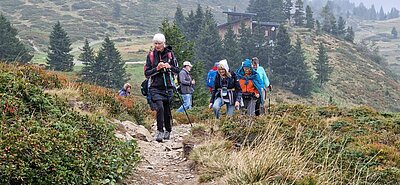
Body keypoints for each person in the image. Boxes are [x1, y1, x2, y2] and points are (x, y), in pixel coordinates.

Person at [144, 33, 179, 142]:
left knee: (167, 110)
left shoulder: (170, 54)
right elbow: (146, 73)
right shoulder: (151, 56)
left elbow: (177, 70)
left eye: (159, 43)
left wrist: (169, 67)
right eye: (155, 43)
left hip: (168, 86)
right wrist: (157, 69)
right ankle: (160, 130)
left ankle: (168, 129)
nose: (157, 46)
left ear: (164, 43)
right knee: (160, 107)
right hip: (155, 87)